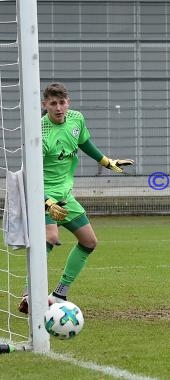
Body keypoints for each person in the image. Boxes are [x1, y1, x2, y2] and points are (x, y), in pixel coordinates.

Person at [18, 82, 134, 314]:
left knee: (89, 242)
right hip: (43, 195)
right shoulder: (39, 132)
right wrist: (47, 203)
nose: (59, 108)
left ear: (68, 102)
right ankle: (29, 294)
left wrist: (107, 162)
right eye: (53, 103)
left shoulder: (76, 119)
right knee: (50, 237)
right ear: (45, 105)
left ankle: (59, 293)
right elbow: (30, 176)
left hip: (65, 196)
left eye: (62, 102)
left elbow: (84, 143)